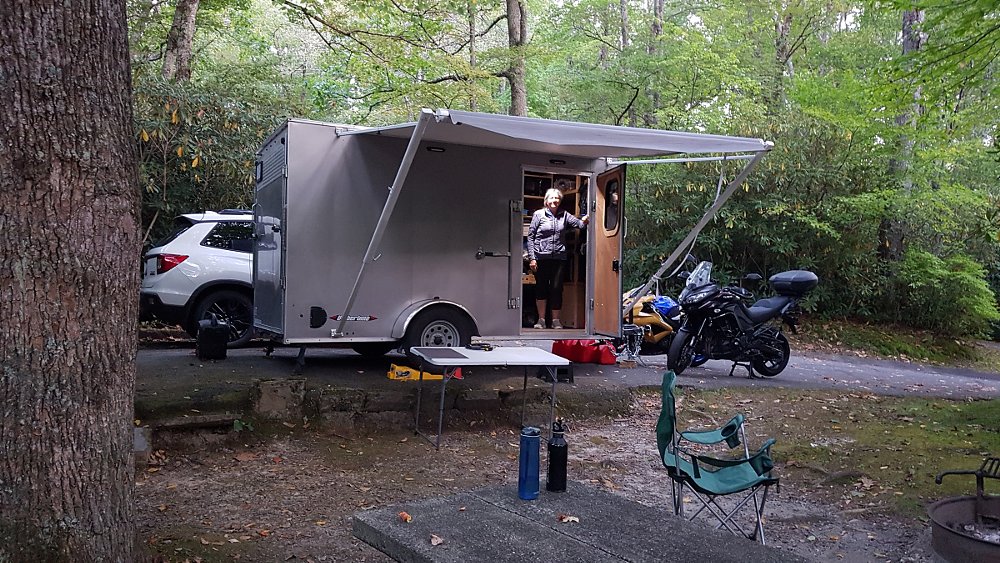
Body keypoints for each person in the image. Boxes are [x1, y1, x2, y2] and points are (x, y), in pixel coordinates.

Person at [527, 187, 588, 329]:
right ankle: (541, 320)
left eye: (557, 198)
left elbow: (579, 225)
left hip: (559, 258)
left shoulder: (564, 215)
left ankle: (555, 321)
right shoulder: (538, 214)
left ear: (560, 201)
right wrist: (532, 258)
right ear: (546, 201)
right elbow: (530, 237)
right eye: (552, 198)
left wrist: (585, 219)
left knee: (556, 288)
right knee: (541, 288)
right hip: (541, 257)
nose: (554, 201)